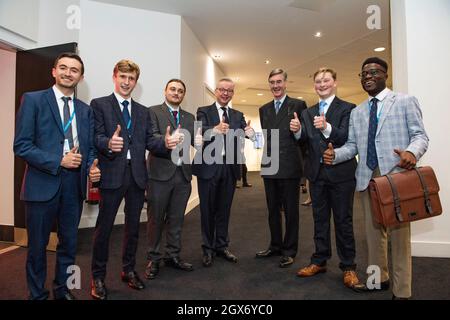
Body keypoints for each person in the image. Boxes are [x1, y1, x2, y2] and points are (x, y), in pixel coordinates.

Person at [323, 57, 429, 299]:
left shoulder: (404, 101)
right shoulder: (358, 111)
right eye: (363, 74)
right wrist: (335, 154)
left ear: (385, 75)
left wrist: (412, 152)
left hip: (396, 177)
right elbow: (352, 146)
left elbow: (420, 136)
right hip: (366, 178)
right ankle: (378, 279)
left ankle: (402, 292)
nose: (368, 76)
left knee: (399, 238)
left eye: (373, 72)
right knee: (372, 234)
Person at [14, 52, 100, 300]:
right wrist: (58, 160)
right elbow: (22, 145)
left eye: (74, 70)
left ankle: (62, 290)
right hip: (41, 184)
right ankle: (37, 295)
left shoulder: (85, 110)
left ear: (80, 77)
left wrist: (93, 166)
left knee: (69, 244)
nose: (68, 73)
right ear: (54, 71)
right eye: (63, 67)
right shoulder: (33, 100)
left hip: (73, 187)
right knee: (38, 248)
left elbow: (90, 147)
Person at [90, 60, 176, 300]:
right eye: (123, 77)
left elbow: (150, 140)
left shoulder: (142, 111)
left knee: (132, 230)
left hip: (138, 176)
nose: (126, 82)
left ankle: (128, 270)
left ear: (135, 82)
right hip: (112, 174)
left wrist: (165, 143)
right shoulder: (100, 105)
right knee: (104, 229)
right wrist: (107, 143)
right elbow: (94, 136)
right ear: (114, 77)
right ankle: (97, 276)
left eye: (131, 79)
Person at [295, 68, 360, 289]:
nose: (322, 84)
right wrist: (297, 131)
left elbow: (347, 138)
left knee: (343, 220)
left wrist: (327, 127)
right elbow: (305, 140)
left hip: (342, 174)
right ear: (314, 85)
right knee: (319, 220)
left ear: (334, 82)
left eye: (326, 80)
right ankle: (319, 261)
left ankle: (349, 266)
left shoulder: (348, 108)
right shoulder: (308, 112)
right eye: (318, 81)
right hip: (317, 175)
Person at [192, 78, 255, 267]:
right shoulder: (203, 111)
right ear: (216, 91)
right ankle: (207, 248)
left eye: (229, 91)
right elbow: (199, 132)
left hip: (229, 167)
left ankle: (221, 245)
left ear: (233, 93)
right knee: (207, 210)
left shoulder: (237, 114)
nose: (225, 93)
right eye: (222, 90)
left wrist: (250, 133)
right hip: (209, 167)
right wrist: (215, 129)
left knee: (224, 209)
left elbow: (245, 132)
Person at [144, 79, 200, 280]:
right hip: (159, 175)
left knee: (177, 219)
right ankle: (153, 258)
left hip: (183, 176)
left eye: (180, 91)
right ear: (165, 91)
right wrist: (164, 141)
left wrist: (209, 136)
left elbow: (197, 140)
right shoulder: (152, 111)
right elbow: (150, 138)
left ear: (183, 95)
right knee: (156, 219)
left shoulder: (189, 117)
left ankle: (173, 256)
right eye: (173, 89)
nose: (176, 93)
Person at [256, 68, 307, 268]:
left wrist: (299, 130)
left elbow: (304, 138)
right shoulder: (264, 109)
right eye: (272, 82)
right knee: (272, 210)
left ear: (285, 83)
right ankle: (275, 245)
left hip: (290, 165)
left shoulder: (298, 105)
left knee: (291, 210)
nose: (275, 86)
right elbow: (270, 137)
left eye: (279, 82)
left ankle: (289, 249)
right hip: (270, 164)